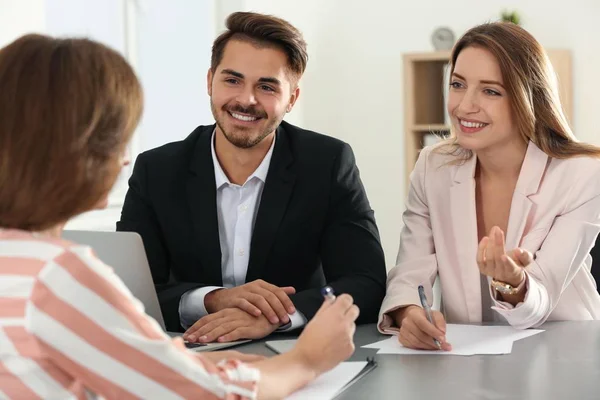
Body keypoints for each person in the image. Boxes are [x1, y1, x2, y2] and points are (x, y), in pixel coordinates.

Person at [0, 33, 359, 400]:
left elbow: (139, 365)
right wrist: (307, 361)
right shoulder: (59, 276)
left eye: (266, 86)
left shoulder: (23, 266)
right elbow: (205, 394)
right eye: (115, 135)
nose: (123, 157)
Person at [117, 11, 386, 340]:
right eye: (232, 80)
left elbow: (366, 282)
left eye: (267, 87)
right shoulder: (156, 170)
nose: (246, 100)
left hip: (295, 353)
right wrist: (212, 299)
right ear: (209, 81)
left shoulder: (327, 162)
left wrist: (278, 316)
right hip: (189, 354)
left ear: (292, 99)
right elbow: (129, 293)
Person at [379, 22, 600, 351]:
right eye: (457, 84)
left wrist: (514, 283)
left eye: (490, 90)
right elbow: (411, 270)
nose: (464, 105)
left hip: (563, 352)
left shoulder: (581, 174)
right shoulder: (432, 167)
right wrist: (409, 312)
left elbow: (544, 295)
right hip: (465, 359)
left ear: (529, 98)